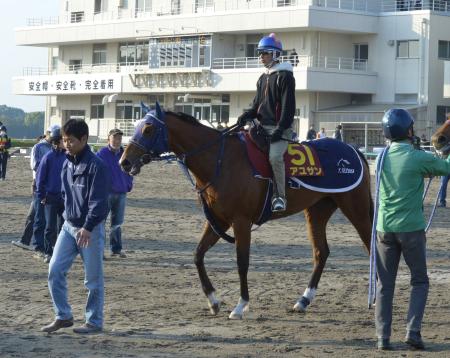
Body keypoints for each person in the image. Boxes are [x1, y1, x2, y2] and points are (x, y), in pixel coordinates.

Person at [374, 108, 450, 350]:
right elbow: (446, 168)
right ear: (408, 130)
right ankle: (413, 332)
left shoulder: (381, 157)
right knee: (419, 281)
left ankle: (383, 338)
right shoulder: (417, 157)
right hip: (412, 230)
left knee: (385, 285)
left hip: (384, 228)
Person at [41, 119, 110, 334]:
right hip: (69, 227)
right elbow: (65, 194)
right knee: (54, 270)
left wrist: (88, 227)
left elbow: (99, 203)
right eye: (64, 140)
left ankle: (94, 321)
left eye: (70, 140)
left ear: (84, 139)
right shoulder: (66, 162)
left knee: (92, 279)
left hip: (90, 229)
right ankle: (63, 315)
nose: (66, 144)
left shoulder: (96, 165)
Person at [237, 33, 296, 212]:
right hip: (261, 128)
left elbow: (288, 108)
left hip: (280, 130)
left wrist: (280, 129)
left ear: (275, 54)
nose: (261, 57)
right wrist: (246, 115)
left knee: (275, 157)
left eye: (265, 53)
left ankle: (280, 197)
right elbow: (257, 106)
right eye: (260, 53)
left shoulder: (285, 76)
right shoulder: (262, 78)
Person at [96, 128, 133, 258]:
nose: (117, 141)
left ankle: (116, 249)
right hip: (106, 194)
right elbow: (96, 172)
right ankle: (99, 251)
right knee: (101, 223)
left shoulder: (125, 154)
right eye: (115, 138)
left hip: (121, 193)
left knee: (117, 223)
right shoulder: (101, 154)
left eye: (119, 138)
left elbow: (130, 171)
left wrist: (128, 185)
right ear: (109, 139)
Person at [11, 134, 51, 251]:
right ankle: (26, 240)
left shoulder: (38, 148)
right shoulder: (46, 149)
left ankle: (32, 242)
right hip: (42, 184)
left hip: (39, 184)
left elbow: (35, 166)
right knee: (34, 214)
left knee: (37, 215)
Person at [35, 125, 66, 263]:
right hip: (50, 197)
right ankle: (48, 252)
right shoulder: (48, 157)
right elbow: (40, 179)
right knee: (50, 227)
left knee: (64, 227)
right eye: (63, 140)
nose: (66, 142)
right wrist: (41, 196)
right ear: (57, 141)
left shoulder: (68, 156)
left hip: (65, 197)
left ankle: (60, 251)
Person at [30, 129, 53, 257]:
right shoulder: (38, 147)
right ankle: (38, 246)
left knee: (47, 218)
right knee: (39, 216)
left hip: (52, 186)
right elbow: (35, 165)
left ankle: (43, 245)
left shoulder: (55, 148)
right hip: (40, 184)